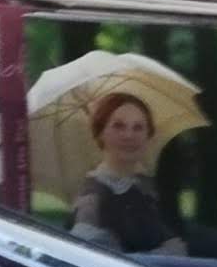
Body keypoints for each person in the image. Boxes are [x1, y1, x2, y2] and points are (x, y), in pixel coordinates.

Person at [68, 89, 187, 254]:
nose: (129, 135)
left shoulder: (142, 188)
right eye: (118, 126)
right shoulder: (93, 197)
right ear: (100, 134)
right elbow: (93, 257)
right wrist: (165, 253)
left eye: (138, 127)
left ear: (148, 135)